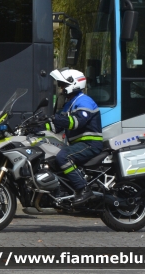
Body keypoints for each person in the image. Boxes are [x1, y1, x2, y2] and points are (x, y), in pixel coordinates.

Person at [44, 68, 104, 206]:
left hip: (89, 144)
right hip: (79, 144)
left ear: (74, 83)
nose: (61, 88)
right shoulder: (69, 104)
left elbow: (77, 122)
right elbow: (56, 127)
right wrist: (38, 127)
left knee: (63, 157)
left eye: (63, 84)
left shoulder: (84, 101)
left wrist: (58, 120)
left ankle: (83, 189)